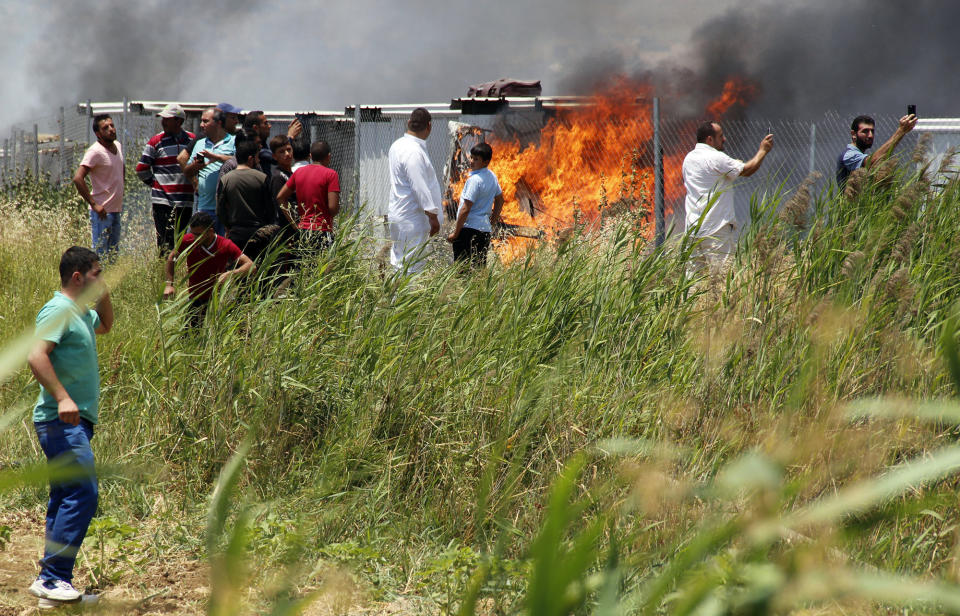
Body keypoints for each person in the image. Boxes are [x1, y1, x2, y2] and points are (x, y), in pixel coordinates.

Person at [26, 246, 113, 609]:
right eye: (95, 272)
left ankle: (52, 586)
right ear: (77, 277)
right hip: (60, 421)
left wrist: (104, 291)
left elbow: (106, 325)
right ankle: (52, 578)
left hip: (74, 422)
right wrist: (62, 397)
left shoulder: (79, 312)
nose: (100, 276)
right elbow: (35, 354)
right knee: (83, 492)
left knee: (65, 496)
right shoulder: (59, 309)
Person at [682, 121, 773, 270]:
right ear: (710, 140)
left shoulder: (689, 159)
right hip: (716, 230)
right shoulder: (716, 157)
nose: (724, 139)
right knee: (723, 279)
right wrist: (763, 150)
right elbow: (747, 170)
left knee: (693, 285)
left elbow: (716, 174)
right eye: (721, 136)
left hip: (693, 230)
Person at [163, 212, 256, 326]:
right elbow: (172, 257)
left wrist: (231, 274)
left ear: (210, 232)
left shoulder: (225, 245)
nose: (195, 238)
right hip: (196, 299)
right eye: (193, 233)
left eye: (199, 234)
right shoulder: (187, 240)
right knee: (189, 338)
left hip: (219, 299)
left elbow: (251, 265)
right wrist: (169, 284)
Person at [387, 107, 444, 273]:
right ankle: (406, 298)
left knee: (399, 262)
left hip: (400, 213)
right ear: (429, 126)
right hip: (412, 217)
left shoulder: (397, 145)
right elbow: (419, 186)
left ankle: (394, 297)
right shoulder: (413, 152)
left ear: (408, 123)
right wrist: (432, 216)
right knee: (412, 267)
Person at [135, 103, 196, 253]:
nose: (163, 122)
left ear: (179, 121)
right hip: (163, 202)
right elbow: (141, 169)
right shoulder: (156, 141)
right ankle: (165, 274)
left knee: (183, 242)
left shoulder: (192, 141)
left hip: (185, 202)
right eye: (163, 119)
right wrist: (157, 185)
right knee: (165, 243)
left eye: (167, 119)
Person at [73, 115, 124, 258]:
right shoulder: (95, 151)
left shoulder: (118, 146)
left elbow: (120, 168)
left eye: (112, 126)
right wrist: (94, 205)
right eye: (105, 128)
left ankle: (110, 280)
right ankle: (96, 281)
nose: (111, 130)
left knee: (113, 255)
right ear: (98, 134)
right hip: (102, 213)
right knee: (100, 255)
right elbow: (78, 178)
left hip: (116, 210)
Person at [276, 140, 341, 252]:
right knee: (325, 268)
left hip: (303, 231)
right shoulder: (331, 174)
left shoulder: (299, 172)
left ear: (310, 156)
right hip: (323, 230)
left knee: (303, 267)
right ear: (329, 156)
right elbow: (333, 209)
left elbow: (280, 197)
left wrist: (293, 222)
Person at [446, 142, 504, 268]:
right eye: (471, 157)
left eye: (476, 159)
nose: (471, 161)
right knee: (478, 269)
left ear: (485, 162)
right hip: (484, 231)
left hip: (468, 231)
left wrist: (456, 234)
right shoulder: (492, 177)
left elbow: (465, 209)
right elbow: (500, 200)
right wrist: (492, 223)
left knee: (462, 271)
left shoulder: (474, 181)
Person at [216, 139, 274, 255]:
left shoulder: (226, 179)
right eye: (257, 157)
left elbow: (220, 209)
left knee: (238, 268)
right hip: (259, 233)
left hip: (235, 232)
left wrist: (228, 226)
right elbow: (270, 208)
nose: (259, 160)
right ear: (250, 159)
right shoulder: (262, 178)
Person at [183, 108, 236, 235]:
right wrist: (196, 166)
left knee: (223, 249)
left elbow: (242, 162)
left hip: (227, 209)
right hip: (204, 207)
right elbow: (187, 172)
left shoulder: (233, 141)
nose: (201, 125)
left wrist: (216, 157)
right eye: (201, 121)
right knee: (200, 249)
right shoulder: (200, 144)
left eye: (205, 121)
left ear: (218, 123)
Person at [836, 113, 918, 187]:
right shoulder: (849, 155)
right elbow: (872, 161)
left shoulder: (859, 154)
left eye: (872, 131)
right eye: (865, 131)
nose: (870, 135)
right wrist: (901, 131)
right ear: (853, 134)